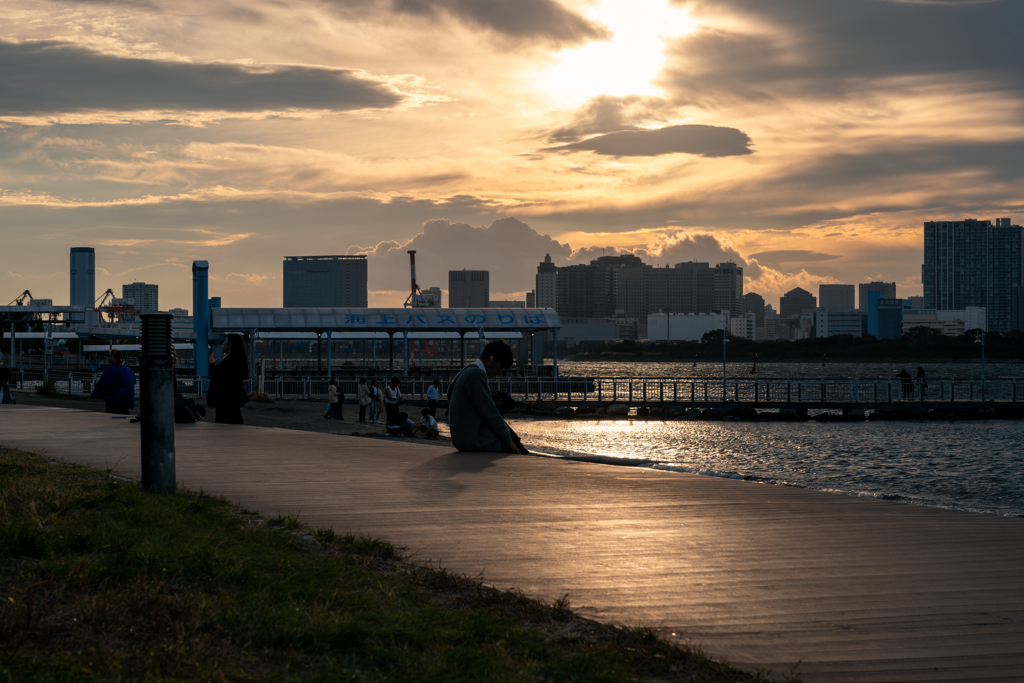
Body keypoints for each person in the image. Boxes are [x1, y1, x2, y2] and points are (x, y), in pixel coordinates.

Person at [448, 340, 521, 454]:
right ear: (491, 357)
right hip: (472, 439)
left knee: (505, 406)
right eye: (501, 366)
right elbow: (490, 412)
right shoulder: (476, 374)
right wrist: (509, 440)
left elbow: (451, 394)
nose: (500, 371)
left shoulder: (468, 370)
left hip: (462, 437)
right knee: (515, 447)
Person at [207, 333, 249, 424]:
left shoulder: (230, 360)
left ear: (231, 344)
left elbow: (220, 378)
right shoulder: (236, 359)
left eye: (225, 340)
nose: (223, 343)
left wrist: (212, 365)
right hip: (231, 403)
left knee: (225, 427)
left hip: (226, 403)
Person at [91, 348, 136, 414]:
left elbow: (104, 384)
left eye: (111, 356)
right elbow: (133, 382)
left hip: (114, 400)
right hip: (127, 401)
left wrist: (96, 394)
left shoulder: (110, 369)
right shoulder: (130, 371)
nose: (109, 358)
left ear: (116, 358)